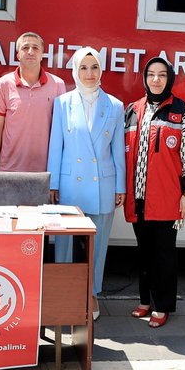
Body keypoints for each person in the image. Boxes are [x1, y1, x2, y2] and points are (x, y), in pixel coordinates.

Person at [47, 47, 125, 319]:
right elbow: (56, 145)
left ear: (101, 70)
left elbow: (118, 151)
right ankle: (63, 292)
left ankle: (92, 293)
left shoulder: (115, 105)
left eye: (94, 67)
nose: (89, 73)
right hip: (70, 184)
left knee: (98, 244)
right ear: (75, 71)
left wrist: (120, 187)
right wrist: (52, 183)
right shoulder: (62, 102)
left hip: (103, 184)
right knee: (65, 243)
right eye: (83, 67)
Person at [123, 56, 185, 328]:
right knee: (143, 251)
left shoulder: (183, 110)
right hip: (139, 197)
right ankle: (146, 300)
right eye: (151, 74)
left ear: (170, 78)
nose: (156, 79)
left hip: (168, 197)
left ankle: (163, 304)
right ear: (145, 78)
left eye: (162, 75)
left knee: (164, 253)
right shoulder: (133, 109)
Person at [0, 32, 66, 173]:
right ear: (17, 55)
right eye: (25, 48)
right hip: (9, 170)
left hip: (45, 172)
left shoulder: (58, 85)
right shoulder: (3, 84)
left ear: (42, 54)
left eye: (35, 48)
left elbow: (62, 131)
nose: (30, 52)